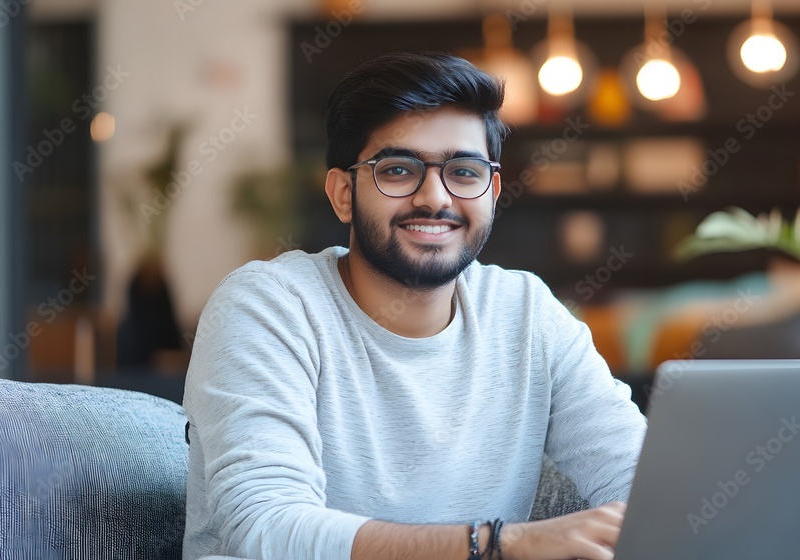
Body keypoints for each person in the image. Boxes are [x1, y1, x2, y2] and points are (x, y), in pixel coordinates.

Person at [182, 51, 646, 560]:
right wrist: (498, 545)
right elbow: (265, 526)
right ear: (342, 193)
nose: (435, 198)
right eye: (398, 170)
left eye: (464, 172)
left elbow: (642, 482)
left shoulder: (527, 312)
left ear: (492, 192)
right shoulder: (269, 307)